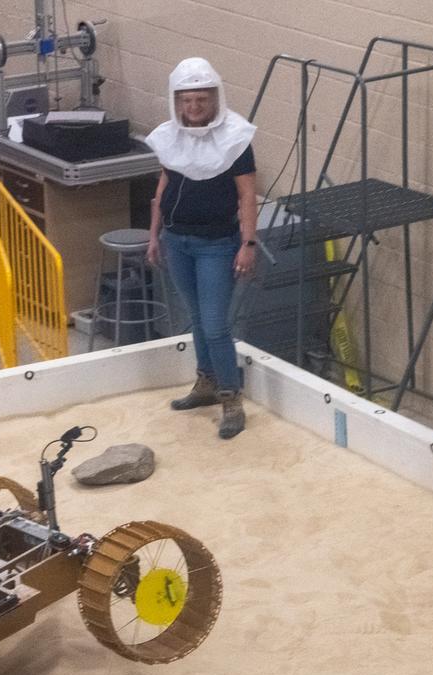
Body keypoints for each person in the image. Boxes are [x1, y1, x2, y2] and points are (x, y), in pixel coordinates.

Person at [145, 57, 258, 439]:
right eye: (187, 100)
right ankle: (206, 384)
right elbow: (163, 189)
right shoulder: (169, 137)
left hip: (216, 245)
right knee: (195, 318)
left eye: (201, 100)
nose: (193, 108)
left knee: (214, 325)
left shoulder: (236, 139)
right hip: (177, 241)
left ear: (215, 100)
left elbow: (247, 197)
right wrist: (154, 235)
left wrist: (248, 244)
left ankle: (231, 398)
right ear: (177, 102)